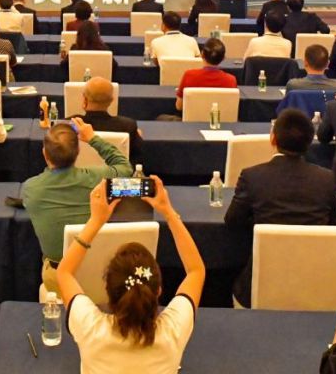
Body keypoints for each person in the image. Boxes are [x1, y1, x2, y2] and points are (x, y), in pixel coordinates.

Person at [57, 177, 204, 372]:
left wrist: (96, 221)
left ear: (107, 289)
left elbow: (64, 272)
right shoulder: (173, 331)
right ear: (158, 291)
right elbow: (196, 271)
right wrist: (168, 212)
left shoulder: (90, 329)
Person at [225, 109, 336, 307]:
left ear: (273, 139)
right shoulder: (326, 179)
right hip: (314, 285)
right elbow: (332, 225)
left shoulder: (253, 177)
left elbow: (232, 220)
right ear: (309, 143)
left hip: (257, 287)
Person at [22, 119, 133, 292]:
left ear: (44, 153)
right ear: (78, 151)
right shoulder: (98, 180)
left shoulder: (30, 188)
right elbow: (125, 168)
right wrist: (93, 138)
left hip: (57, 279)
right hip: (100, 272)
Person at [78, 77, 144, 164]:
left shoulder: (72, 124)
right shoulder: (128, 126)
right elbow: (137, 160)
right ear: (111, 100)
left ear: (84, 99)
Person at [175, 37, 236, 111]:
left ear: (202, 54)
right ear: (223, 58)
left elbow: (179, 106)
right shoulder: (231, 80)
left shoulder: (189, 75)